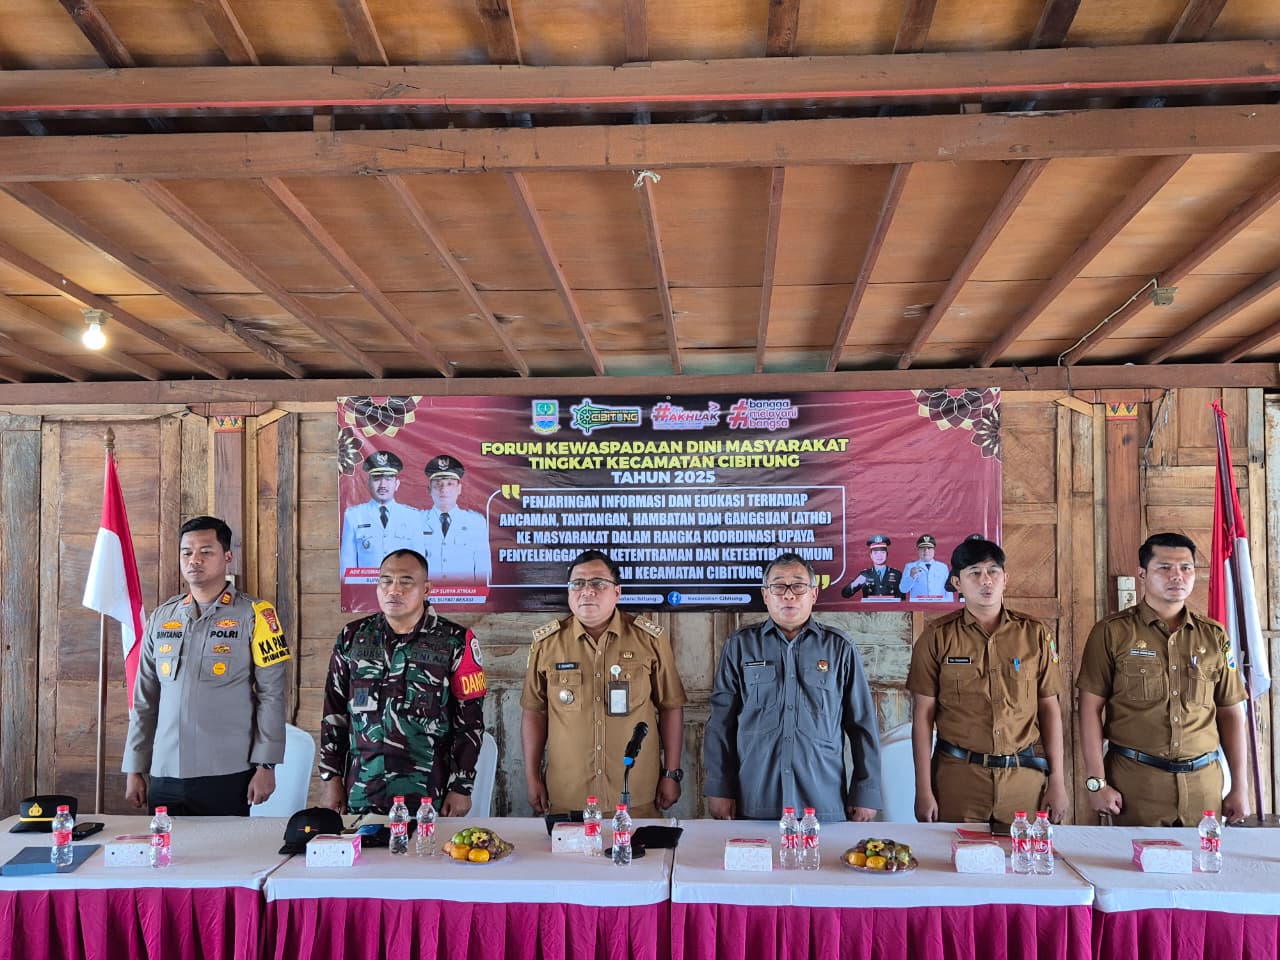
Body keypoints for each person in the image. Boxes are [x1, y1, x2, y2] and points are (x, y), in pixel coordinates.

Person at [1077, 532, 1249, 826]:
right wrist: (1097, 783)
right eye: (1165, 567)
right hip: (1136, 784)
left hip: (1203, 785)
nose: (1177, 576)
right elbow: (1089, 709)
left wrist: (1240, 787)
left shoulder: (1213, 635)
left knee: (1203, 855)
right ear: (1143, 574)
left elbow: (1231, 712)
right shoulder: (1112, 632)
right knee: (1135, 856)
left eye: (1186, 568)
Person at [122, 516, 290, 816]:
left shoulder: (256, 615)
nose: (194, 560)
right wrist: (135, 767)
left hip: (227, 771)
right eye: (187, 552)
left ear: (227, 557)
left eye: (206, 551)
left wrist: (266, 765)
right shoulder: (162, 617)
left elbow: (272, 695)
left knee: (225, 847)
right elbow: (145, 700)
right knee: (164, 846)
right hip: (165, 772)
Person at [704, 552, 882, 822]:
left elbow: (862, 725)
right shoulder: (740, 646)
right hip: (755, 800)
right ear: (765, 595)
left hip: (823, 801)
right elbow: (721, 723)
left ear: (813, 594)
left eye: (798, 586)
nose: (789, 595)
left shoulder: (839, 648)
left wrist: (865, 792)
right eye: (778, 587)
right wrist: (719, 788)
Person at [906, 537, 1068, 824]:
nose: (986, 580)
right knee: (953, 851)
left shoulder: (1035, 635)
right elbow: (923, 715)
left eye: (993, 571)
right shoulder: (937, 638)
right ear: (957, 583)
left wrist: (1057, 781)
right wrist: (923, 789)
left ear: (1006, 579)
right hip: (958, 779)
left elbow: (1049, 708)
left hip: (1023, 780)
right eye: (974, 573)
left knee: (1022, 852)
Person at [318, 549, 486, 815]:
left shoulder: (455, 642)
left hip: (429, 797)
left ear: (426, 589)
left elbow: (470, 723)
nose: (394, 590)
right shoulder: (353, 638)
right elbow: (334, 713)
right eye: (386, 581)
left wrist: (461, 786)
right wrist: (331, 778)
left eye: (406, 582)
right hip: (362, 793)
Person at [521, 550, 686, 818]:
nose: (587, 591)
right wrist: (532, 777)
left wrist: (671, 773)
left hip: (636, 793)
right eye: (578, 583)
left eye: (598, 583)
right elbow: (534, 712)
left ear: (617, 592)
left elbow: (671, 707)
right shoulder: (547, 644)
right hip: (568, 796)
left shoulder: (649, 640)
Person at [339, 452, 427, 572]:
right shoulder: (354, 516)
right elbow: (347, 563)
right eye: (377, 479)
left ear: (396, 484)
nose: (382, 485)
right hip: (366, 583)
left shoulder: (413, 516)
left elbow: (419, 563)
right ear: (368, 484)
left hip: (401, 582)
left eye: (388, 479)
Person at [421, 454, 492, 586]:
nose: (444, 489)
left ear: (459, 489)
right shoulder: (416, 521)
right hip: (427, 595)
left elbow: (483, 568)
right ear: (429, 490)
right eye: (438, 484)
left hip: (464, 594)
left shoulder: (475, 522)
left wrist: (479, 596)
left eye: (450, 484)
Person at [842, 534, 903, 600]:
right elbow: (845, 594)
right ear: (871, 555)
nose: (879, 556)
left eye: (882, 552)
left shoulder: (897, 574)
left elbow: (902, 598)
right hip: (870, 607)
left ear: (887, 554)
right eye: (875, 553)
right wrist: (854, 584)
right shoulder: (865, 574)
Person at [898, 534, 953, 602]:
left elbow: (948, 590)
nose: (926, 551)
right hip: (918, 605)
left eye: (929, 548)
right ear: (918, 550)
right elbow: (903, 589)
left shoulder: (942, 567)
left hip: (938, 604)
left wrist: (949, 604)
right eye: (922, 548)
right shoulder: (910, 566)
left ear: (934, 550)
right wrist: (911, 577)